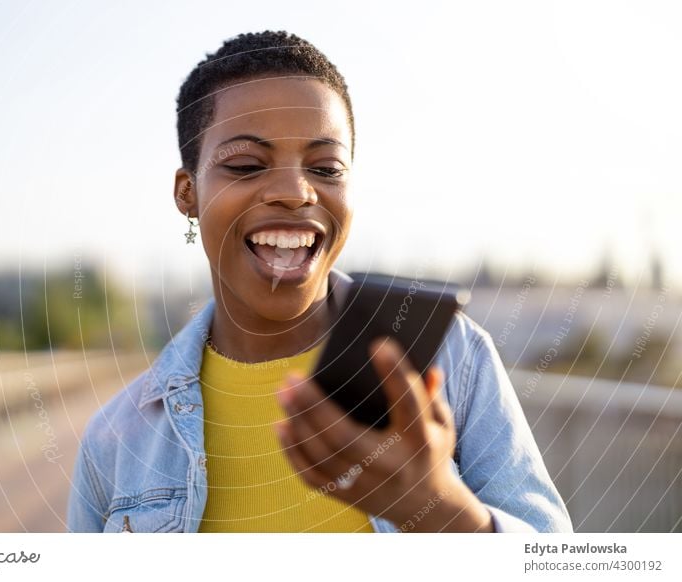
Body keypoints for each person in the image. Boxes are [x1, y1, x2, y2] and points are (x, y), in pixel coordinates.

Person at [66, 30, 573, 533]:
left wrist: (440, 511)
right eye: (245, 165)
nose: (294, 191)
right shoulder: (115, 440)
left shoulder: (450, 358)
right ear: (187, 193)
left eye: (327, 167)